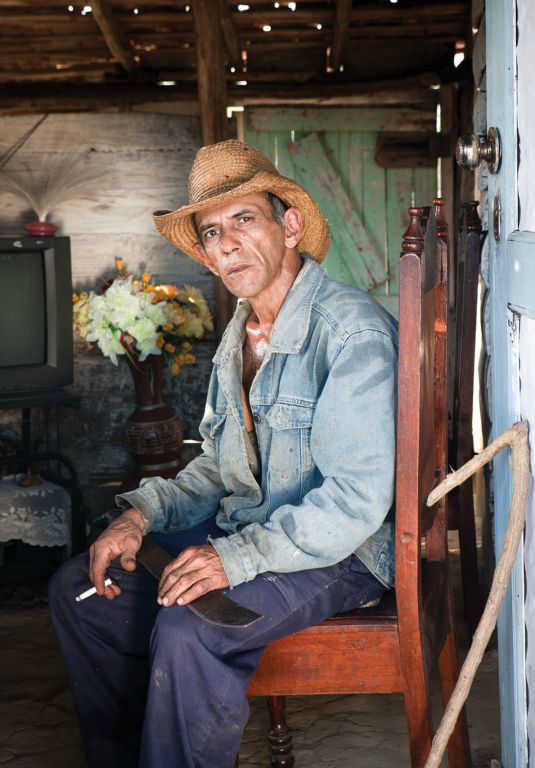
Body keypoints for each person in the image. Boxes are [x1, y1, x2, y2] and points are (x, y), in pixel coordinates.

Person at [49, 139, 397, 768]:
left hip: (342, 553)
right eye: (211, 232)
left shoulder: (352, 330)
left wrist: (233, 558)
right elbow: (216, 466)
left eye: (244, 220)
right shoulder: (239, 335)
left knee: (193, 627)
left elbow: (355, 501)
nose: (227, 242)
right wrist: (140, 514)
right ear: (206, 256)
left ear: (289, 226)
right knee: (79, 589)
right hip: (254, 534)